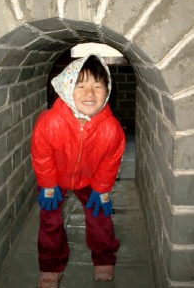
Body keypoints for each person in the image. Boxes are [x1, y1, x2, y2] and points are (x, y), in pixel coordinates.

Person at [31, 54, 125, 288]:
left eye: (97, 86)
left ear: (108, 90)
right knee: (49, 219)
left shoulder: (111, 128)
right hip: (56, 179)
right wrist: (49, 185)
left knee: (99, 215)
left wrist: (101, 189)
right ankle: (51, 265)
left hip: (90, 179)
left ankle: (104, 258)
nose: (90, 94)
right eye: (80, 86)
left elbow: (111, 161)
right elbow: (42, 155)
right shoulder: (50, 121)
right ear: (67, 89)